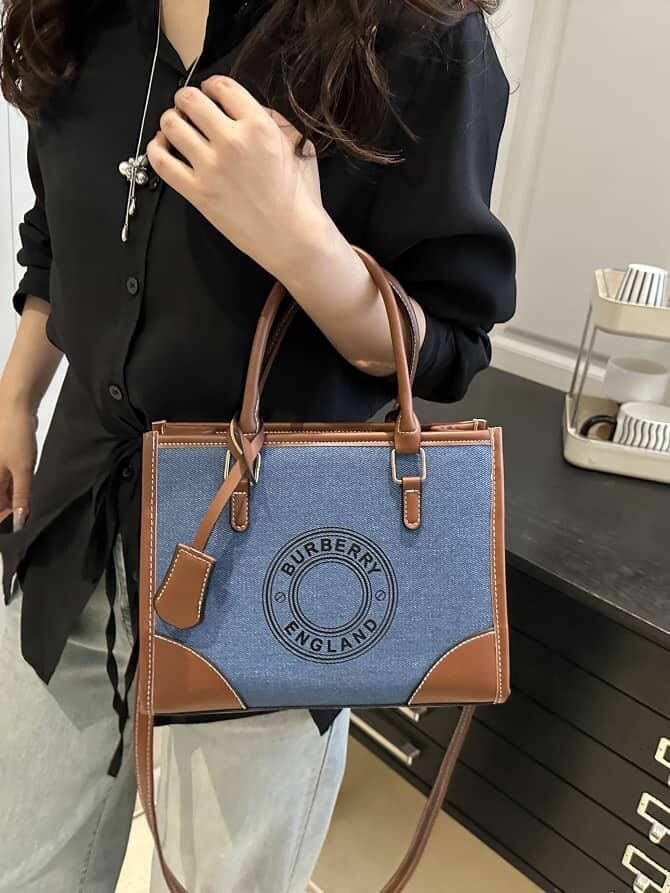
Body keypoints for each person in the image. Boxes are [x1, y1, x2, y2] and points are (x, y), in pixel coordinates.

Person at [0, 0, 516, 890]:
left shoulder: (415, 32)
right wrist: (16, 398)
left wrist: (303, 243)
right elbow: (56, 242)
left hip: (271, 571)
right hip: (75, 527)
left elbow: (448, 343)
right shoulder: (74, 13)